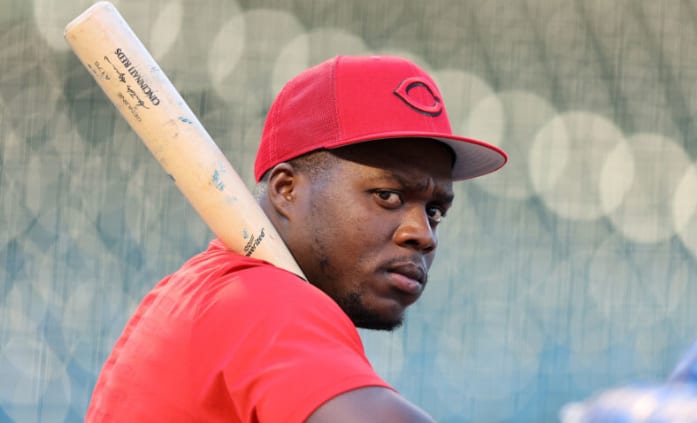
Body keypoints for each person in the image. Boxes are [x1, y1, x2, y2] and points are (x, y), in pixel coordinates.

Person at [85, 55, 508, 422]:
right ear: (287, 190)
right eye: (388, 196)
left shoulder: (206, 289)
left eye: (435, 211)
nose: (423, 234)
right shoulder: (260, 298)